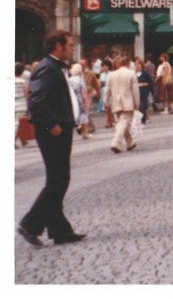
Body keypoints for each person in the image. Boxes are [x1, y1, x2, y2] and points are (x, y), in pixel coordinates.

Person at [18, 30, 87, 247]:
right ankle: (30, 224)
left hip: (59, 128)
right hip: (53, 131)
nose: (71, 47)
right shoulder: (47, 68)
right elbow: (36, 102)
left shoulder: (54, 66)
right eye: (69, 44)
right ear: (58, 46)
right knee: (58, 181)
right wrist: (52, 125)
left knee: (57, 180)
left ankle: (60, 230)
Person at [105, 55, 139, 153]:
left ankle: (130, 143)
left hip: (116, 103)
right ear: (128, 64)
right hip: (128, 102)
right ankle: (116, 142)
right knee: (123, 123)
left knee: (122, 123)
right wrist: (137, 102)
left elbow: (107, 90)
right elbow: (135, 90)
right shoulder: (131, 73)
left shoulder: (111, 75)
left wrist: (105, 102)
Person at [67, 63, 91, 140]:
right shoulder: (80, 80)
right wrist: (86, 102)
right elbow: (83, 92)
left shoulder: (69, 79)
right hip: (79, 98)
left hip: (71, 98)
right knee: (83, 114)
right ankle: (85, 133)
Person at [134, 57, 154, 123]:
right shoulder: (133, 74)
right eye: (136, 64)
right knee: (137, 107)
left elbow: (150, 82)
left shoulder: (145, 74)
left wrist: (143, 84)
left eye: (139, 64)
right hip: (136, 93)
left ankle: (142, 120)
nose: (137, 66)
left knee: (143, 107)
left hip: (143, 93)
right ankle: (138, 120)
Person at [15, 61, 30, 148]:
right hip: (21, 104)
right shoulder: (23, 81)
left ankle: (23, 140)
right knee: (18, 123)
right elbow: (26, 94)